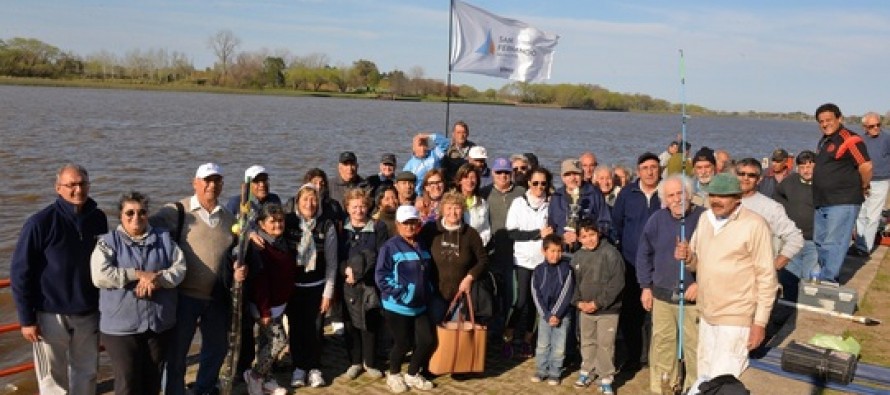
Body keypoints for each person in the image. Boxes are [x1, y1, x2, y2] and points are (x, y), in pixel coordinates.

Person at [11, 164, 108, 395]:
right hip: (50, 315)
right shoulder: (39, 223)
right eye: (71, 185)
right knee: (52, 380)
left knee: (87, 374)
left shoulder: (98, 218)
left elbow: (107, 263)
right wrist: (26, 319)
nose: (78, 190)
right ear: (58, 188)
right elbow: (20, 272)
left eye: (82, 184)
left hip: (88, 312)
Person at [152, 162, 246, 395]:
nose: (212, 185)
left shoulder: (228, 217)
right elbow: (141, 229)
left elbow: (234, 252)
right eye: (207, 180)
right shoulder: (176, 211)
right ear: (195, 183)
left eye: (217, 180)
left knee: (217, 349)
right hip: (184, 296)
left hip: (216, 297)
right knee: (176, 353)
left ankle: (203, 389)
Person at [675, 173, 777, 381]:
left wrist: (759, 323)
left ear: (737, 198)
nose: (716, 200)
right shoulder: (705, 218)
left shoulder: (755, 224)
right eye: (712, 195)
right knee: (704, 376)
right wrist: (687, 257)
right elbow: (697, 263)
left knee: (724, 380)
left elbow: (767, 278)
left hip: (736, 318)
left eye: (723, 196)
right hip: (706, 314)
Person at [90, 191, 186, 395]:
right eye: (130, 213)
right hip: (121, 329)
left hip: (158, 324)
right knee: (128, 382)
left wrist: (156, 279)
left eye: (142, 212)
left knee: (152, 380)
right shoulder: (108, 242)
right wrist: (137, 274)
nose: (136, 217)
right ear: (120, 215)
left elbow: (180, 269)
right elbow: (100, 275)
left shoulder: (165, 239)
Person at [636, 175, 705, 394]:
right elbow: (644, 254)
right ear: (664, 200)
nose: (676, 199)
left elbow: (716, 259)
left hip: (694, 300)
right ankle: (665, 387)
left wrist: (701, 284)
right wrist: (645, 287)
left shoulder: (704, 218)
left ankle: (694, 388)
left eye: (680, 193)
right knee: (663, 345)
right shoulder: (656, 219)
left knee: (695, 347)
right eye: (671, 195)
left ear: (689, 194)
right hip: (662, 297)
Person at [223, 164, 281, 379]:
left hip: (267, 268)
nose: (262, 184)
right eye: (257, 181)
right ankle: (242, 366)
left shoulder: (274, 199)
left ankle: (266, 364)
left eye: (264, 180)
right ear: (248, 185)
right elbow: (229, 232)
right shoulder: (235, 203)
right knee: (244, 321)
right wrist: (248, 234)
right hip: (246, 268)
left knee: (268, 319)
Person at [376, 205, 437, 393]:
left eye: (413, 223)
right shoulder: (389, 247)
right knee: (402, 343)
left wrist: (428, 290)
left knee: (426, 340)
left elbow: (427, 272)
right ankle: (394, 374)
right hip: (397, 305)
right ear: (397, 225)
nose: (410, 227)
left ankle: (412, 373)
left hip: (420, 305)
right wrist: (402, 293)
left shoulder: (422, 244)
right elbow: (381, 276)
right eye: (405, 223)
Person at [610, 152, 662, 372]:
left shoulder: (666, 193)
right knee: (631, 311)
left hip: (659, 263)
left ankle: (652, 356)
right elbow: (616, 224)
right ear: (638, 171)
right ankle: (633, 356)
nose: (650, 172)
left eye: (654, 167)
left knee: (655, 313)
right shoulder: (627, 193)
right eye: (645, 168)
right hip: (631, 262)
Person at [283, 183, 338, 388]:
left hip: (317, 286)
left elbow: (332, 263)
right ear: (297, 201)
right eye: (305, 199)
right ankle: (299, 368)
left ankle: (314, 368)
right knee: (296, 328)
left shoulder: (326, 225)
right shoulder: (288, 222)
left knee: (315, 329)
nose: (310, 203)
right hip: (294, 287)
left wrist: (328, 293)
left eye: (314, 199)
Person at [812, 103, 872, 283]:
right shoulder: (825, 140)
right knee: (820, 241)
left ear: (840, 118)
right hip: (822, 201)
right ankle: (824, 274)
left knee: (834, 242)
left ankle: (828, 280)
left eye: (829, 120)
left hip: (843, 201)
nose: (825, 124)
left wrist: (863, 186)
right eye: (821, 121)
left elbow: (866, 166)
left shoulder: (850, 139)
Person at [241, 203, 294, 395]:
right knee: (279, 341)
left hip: (279, 304)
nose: (278, 225)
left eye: (280, 220)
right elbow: (259, 283)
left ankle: (267, 380)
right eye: (272, 221)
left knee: (265, 343)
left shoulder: (281, 242)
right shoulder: (259, 247)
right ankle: (254, 376)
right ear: (262, 224)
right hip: (265, 306)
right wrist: (264, 311)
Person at [338, 188, 388, 381]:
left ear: (368, 207)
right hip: (348, 282)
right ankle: (355, 362)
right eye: (354, 207)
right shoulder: (342, 228)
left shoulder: (378, 227)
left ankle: (370, 362)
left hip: (369, 283)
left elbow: (380, 254)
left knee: (370, 323)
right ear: (347, 208)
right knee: (350, 324)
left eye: (362, 206)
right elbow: (337, 255)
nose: (359, 210)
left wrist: (360, 272)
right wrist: (346, 270)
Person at [504, 167, 554, 357]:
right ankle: (507, 338)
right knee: (520, 301)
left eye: (543, 183)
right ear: (528, 183)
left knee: (535, 303)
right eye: (535, 183)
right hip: (522, 260)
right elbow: (512, 232)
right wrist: (537, 234)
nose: (539, 187)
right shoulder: (518, 203)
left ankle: (527, 341)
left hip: (542, 261)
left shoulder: (550, 204)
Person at [571, 219, 624, 394]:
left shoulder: (611, 254)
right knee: (587, 341)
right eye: (584, 236)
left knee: (605, 344)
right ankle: (587, 370)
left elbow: (617, 283)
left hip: (608, 310)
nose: (589, 239)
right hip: (585, 309)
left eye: (592, 235)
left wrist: (598, 303)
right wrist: (578, 302)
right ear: (579, 238)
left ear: (598, 233)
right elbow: (573, 283)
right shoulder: (577, 256)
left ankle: (605, 377)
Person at [421, 190, 488, 324]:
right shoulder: (431, 230)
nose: (453, 212)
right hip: (436, 293)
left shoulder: (470, 234)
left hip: (462, 294)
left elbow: (483, 260)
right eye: (449, 208)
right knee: (436, 329)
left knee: (457, 331)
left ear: (463, 210)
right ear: (442, 210)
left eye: (457, 208)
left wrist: (470, 277)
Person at [481, 157, 526, 340]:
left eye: (506, 172)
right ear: (493, 173)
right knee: (493, 295)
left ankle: (508, 333)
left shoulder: (521, 193)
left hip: (516, 254)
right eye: (499, 172)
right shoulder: (484, 193)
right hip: (492, 253)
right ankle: (492, 333)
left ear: (511, 173)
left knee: (513, 296)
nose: (502, 176)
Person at [735, 158, 804, 274]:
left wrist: (775, 265)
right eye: (741, 174)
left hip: (756, 274)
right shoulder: (723, 202)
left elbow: (795, 238)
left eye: (751, 175)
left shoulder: (771, 207)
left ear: (759, 179)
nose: (745, 178)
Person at [530, 234, 575, 386]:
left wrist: (556, 314)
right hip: (545, 315)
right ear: (544, 251)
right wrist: (546, 314)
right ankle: (541, 370)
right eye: (552, 251)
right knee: (543, 345)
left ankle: (555, 372)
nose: (555, 255)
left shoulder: (567, 270)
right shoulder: (538, 270)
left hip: (562, 315)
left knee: (559, 347)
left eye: (559, 251)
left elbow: (566, 293)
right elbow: (535, 294)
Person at [774, 151, 818, 301]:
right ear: (797, 168)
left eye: (809, 166)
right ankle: (789, 305)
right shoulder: (790, 181)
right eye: (802, 167)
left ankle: (808, 305)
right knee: (789, 277)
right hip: (792, 240)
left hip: (814, 240)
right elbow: (776, 196)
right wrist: (785, 210)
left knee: (810, 278)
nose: (806, 170)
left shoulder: (823, 184)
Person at [549, 159, 611, 252]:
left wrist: (582, 236)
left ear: (582, 175)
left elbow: (605, 224)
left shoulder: (594, 194)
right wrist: (561, 237)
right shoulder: (556, 197)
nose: (572, 178)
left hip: (588, 251)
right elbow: (552, 225)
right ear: (562, 177)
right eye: (568, 175)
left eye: (576, 174)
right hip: (562, 251)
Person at [853, 112, 890, 256]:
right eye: (872, 126)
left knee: (873, 216)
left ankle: (865, 247)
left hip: (880, 181)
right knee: (861, 213)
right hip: (863, 181)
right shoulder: (860, 140)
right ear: (865, 127)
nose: (876, 128)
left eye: (878, 125)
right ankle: (859, 244)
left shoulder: (887, 139)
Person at [454, 163, 492, 246]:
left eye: (473, 177)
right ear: (459, 180)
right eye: (466, 177)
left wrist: (477, 244)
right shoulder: (452, 201)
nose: (470, 181)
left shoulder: (482, 203)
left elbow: (486, 229)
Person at [404, 132, 449, 196]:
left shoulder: (435, 155)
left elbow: (445, 143)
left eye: (425, 145)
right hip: (420, 195)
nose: (423, 148)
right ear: (414, 148)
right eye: (420, 145)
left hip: (437, 190)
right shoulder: (409, 166)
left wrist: (428, 136)